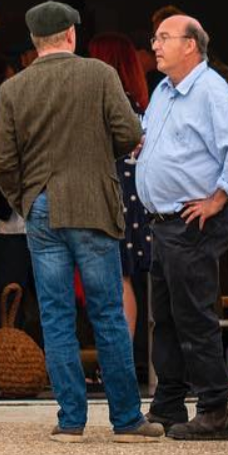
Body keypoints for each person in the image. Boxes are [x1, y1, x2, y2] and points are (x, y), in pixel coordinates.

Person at [0, 1, 162, 443]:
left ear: (34, 41)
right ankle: (125, 420)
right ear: (70, 36)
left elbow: (1, 160)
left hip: (42, 206)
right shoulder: (100, 75)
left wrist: (26, 199)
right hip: (92, 205)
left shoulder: (14, 89)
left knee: (55, 315)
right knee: (107, 312)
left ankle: (70, 421)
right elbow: (129, 134)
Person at [135, 14, 228, 440]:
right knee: (165, 319)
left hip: (193, 223)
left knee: (194, 317)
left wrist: (218, 198)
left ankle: (214, 412)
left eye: (164, 37)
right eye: (156, 37)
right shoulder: (163, 92)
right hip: (165, 224)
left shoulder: (210, 90)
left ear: (191, 45)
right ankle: (168, 406)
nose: (155, 44)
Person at [86, 32, 152, 336]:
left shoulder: (109, 106)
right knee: (121, 281)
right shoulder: (136, 106)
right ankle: (119, 359)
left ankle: (118, 360)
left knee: (117, 282)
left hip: (113, 198)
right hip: (131, 199)